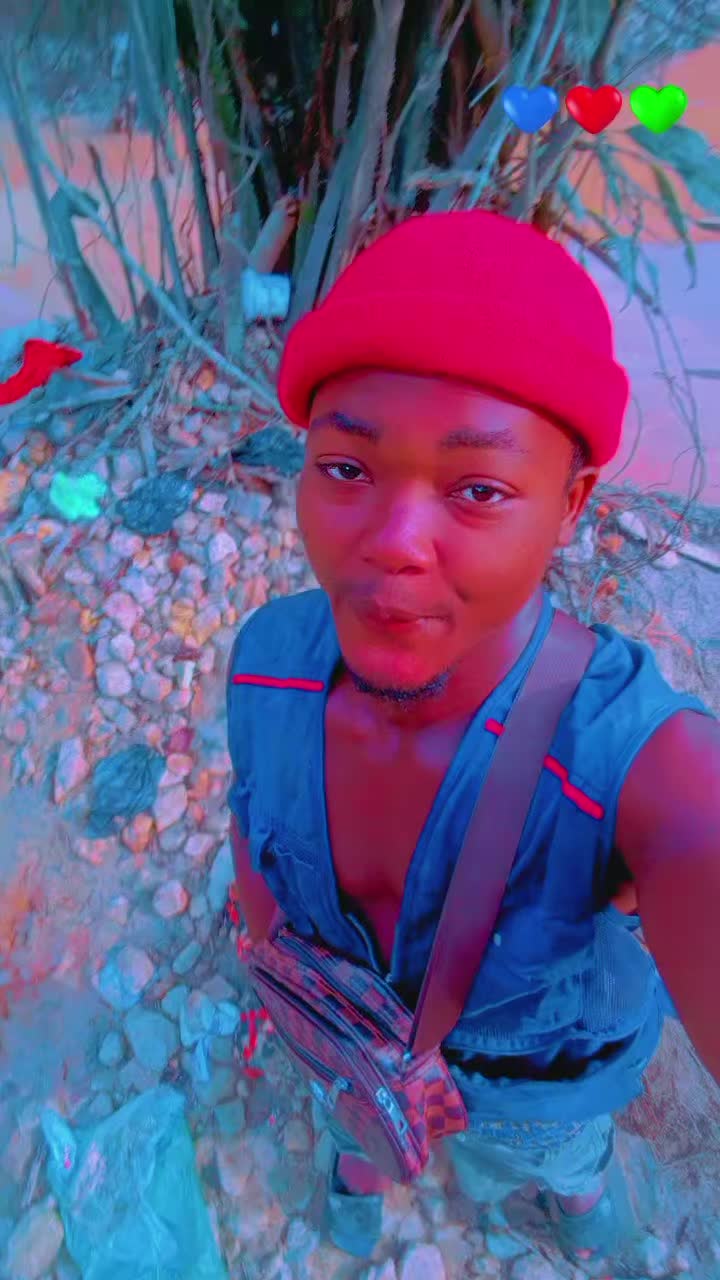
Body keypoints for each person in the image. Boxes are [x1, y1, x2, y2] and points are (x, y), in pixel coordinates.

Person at [225, 211, 720, 1269]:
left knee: (553, 1156)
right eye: (347, 468)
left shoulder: (625, 761)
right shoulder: (267, 662)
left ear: (571, 505)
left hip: (530, 1092)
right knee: (361, 1126)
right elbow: (247, 819)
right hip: (349, 1044)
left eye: (478, 489)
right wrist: (271, 952)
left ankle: (578, 1198)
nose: (395, 541)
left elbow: (695, 832)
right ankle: (363, 1164)